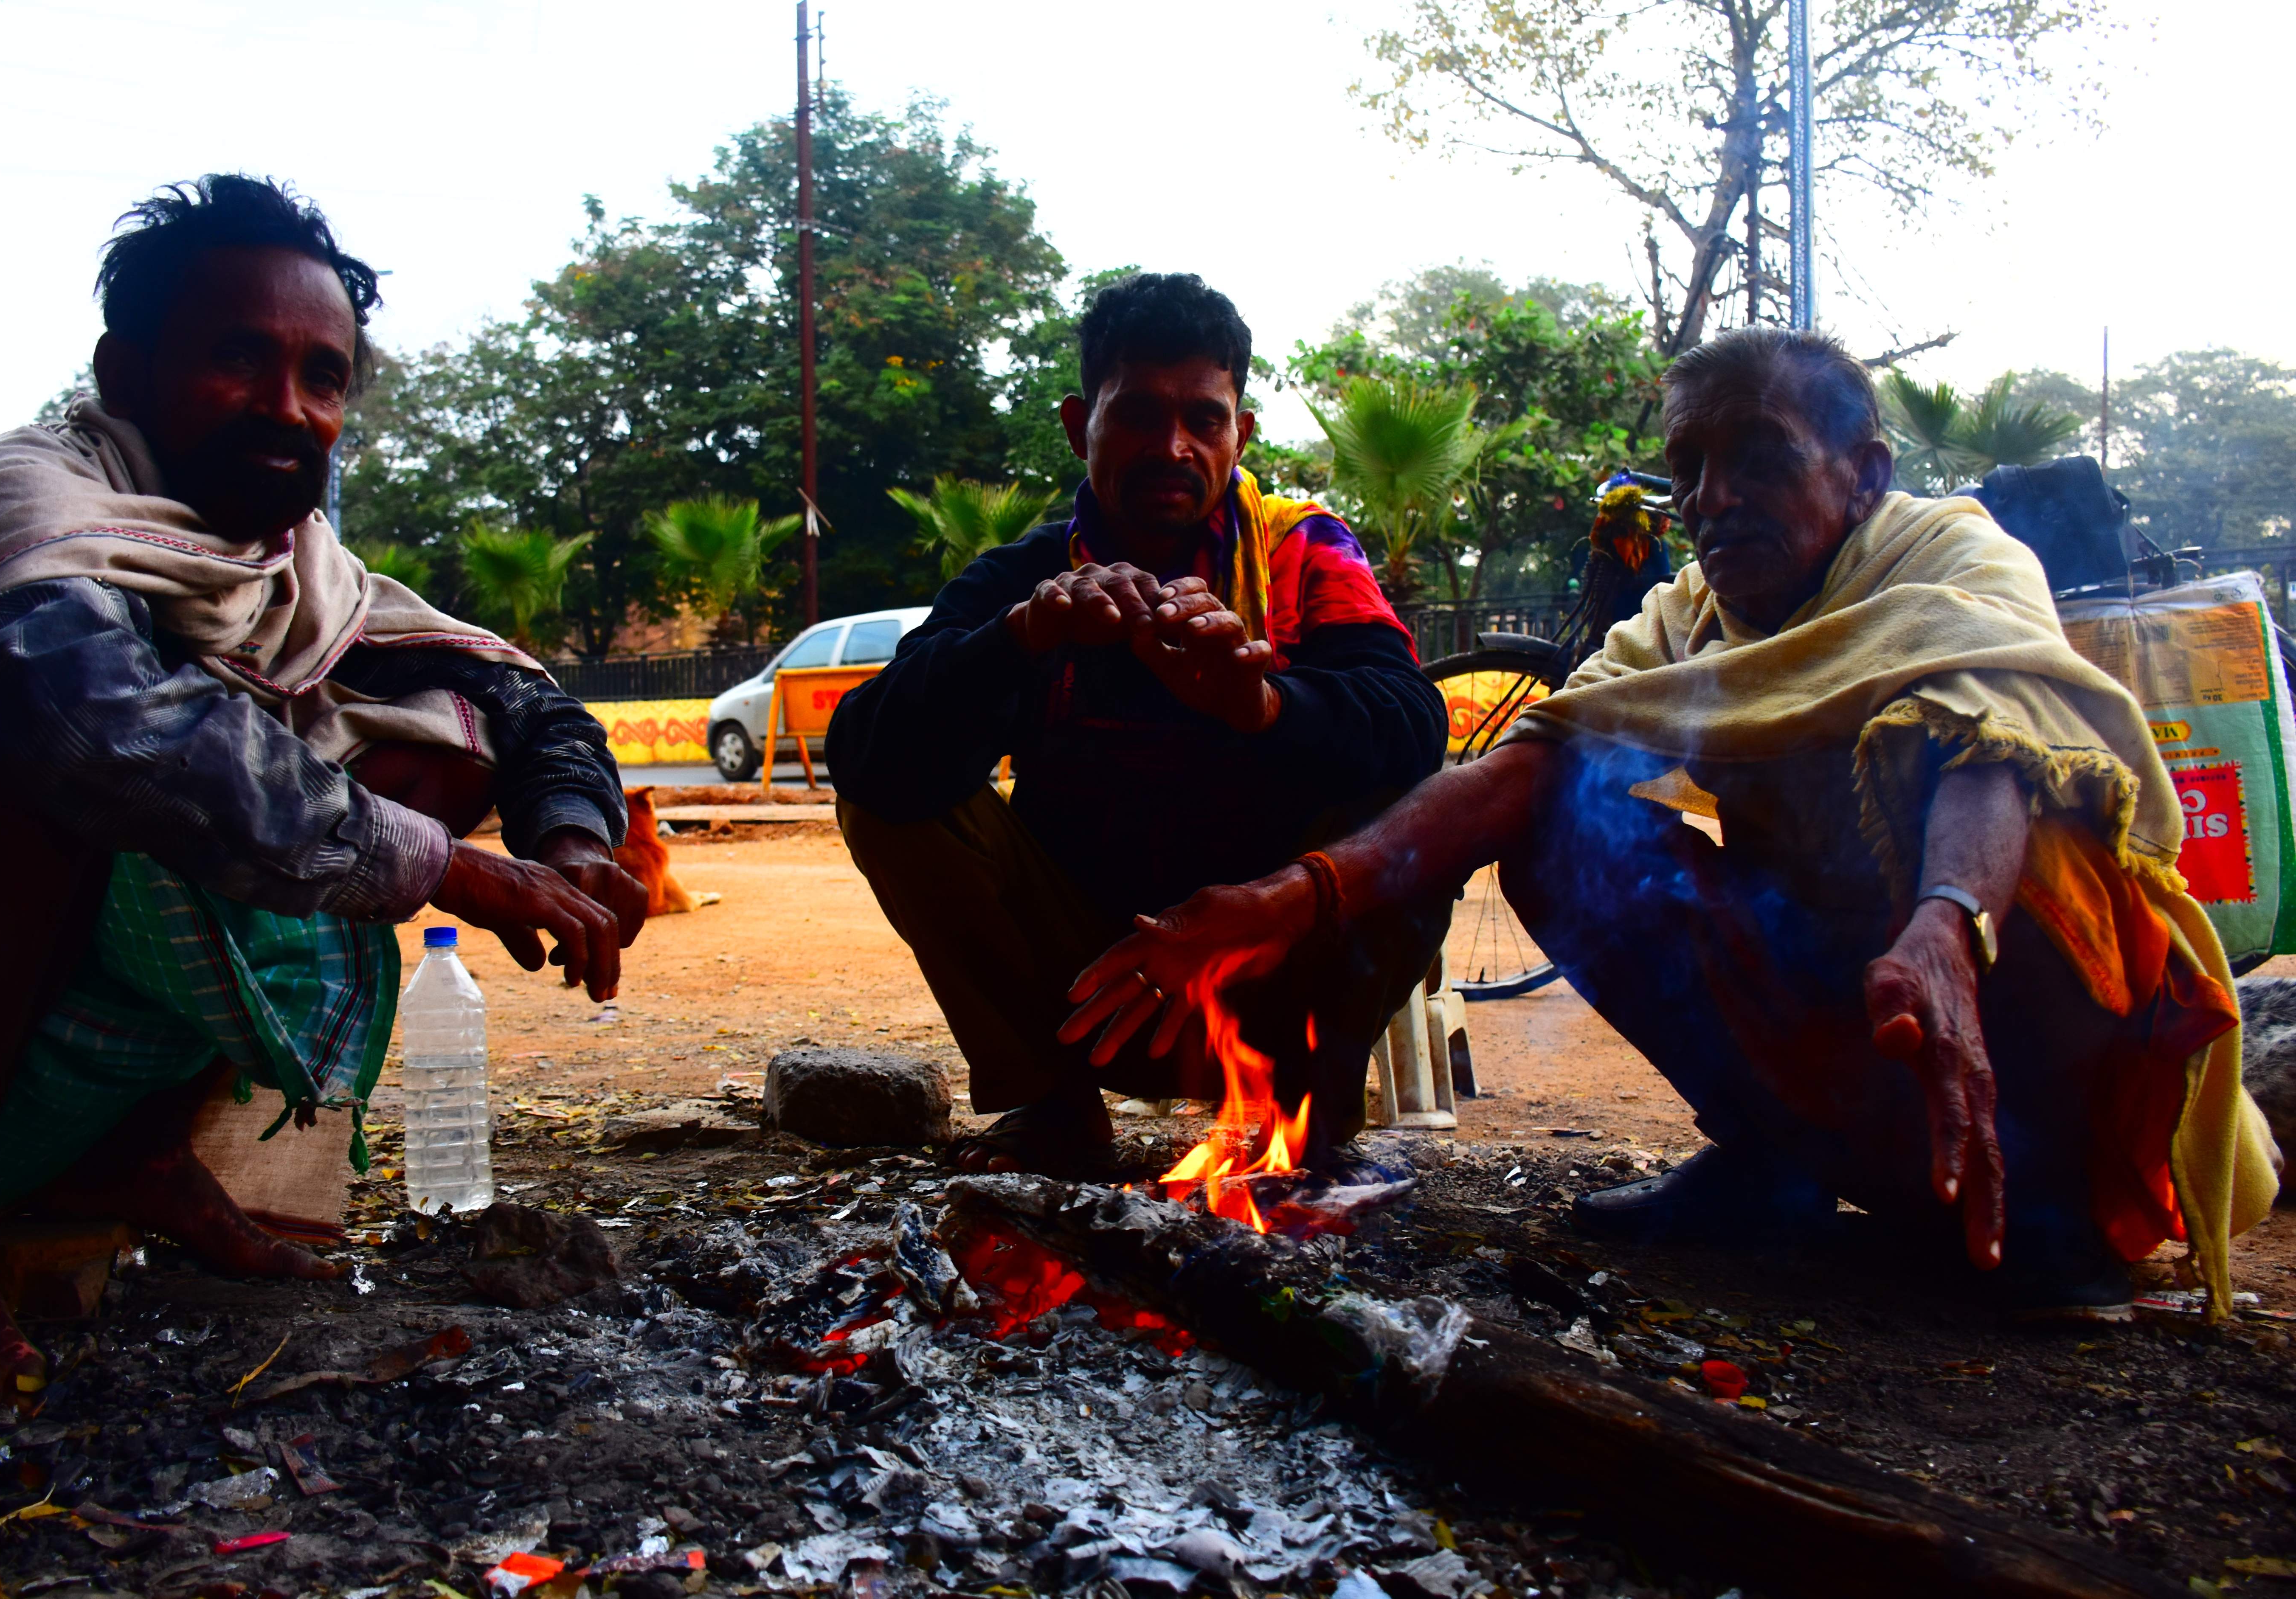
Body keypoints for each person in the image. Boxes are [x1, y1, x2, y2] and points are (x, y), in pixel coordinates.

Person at [1064, 326, 2282, 1318]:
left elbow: (1988, 738)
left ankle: (2054, 1210)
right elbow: (1534, 758)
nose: (1711, 498)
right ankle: (1775, 1163)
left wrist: (1947, 924)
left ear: (1862, 473)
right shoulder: (1687, 614)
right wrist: (1288, 899)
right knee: (1562, 823)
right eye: (1689, 465)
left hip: (2012, 990)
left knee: (2027, 817)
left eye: (1758, 459)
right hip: (1842, 988)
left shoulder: (1952, 559)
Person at [0, 176, 650, 1403]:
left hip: (17, 1055)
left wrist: (572, 840)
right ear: (123, 372)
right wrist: (443, 867)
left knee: (437, 743)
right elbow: (80, 714)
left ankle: (135, 1155)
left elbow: (523, 701)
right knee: (52, 762)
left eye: (323, 377)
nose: (289, 408)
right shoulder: (37, 506)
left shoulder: (292, 573)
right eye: (237, 359)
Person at [825, 273, 1449, 1177]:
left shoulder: (1303, 553)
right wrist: (1021, 638)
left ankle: (1305, 1127)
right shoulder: (1024, 578)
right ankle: (1052, 1109)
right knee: (886, 798)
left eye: (1204, 419)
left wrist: (1265, 706)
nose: (1173, 447)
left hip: (1268, 971)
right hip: (1090, 995)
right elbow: (864, 754)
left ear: (1240, 434)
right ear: (1080, 426)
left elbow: (1414, 725)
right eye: (1139, 415)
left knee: (1422, 807)